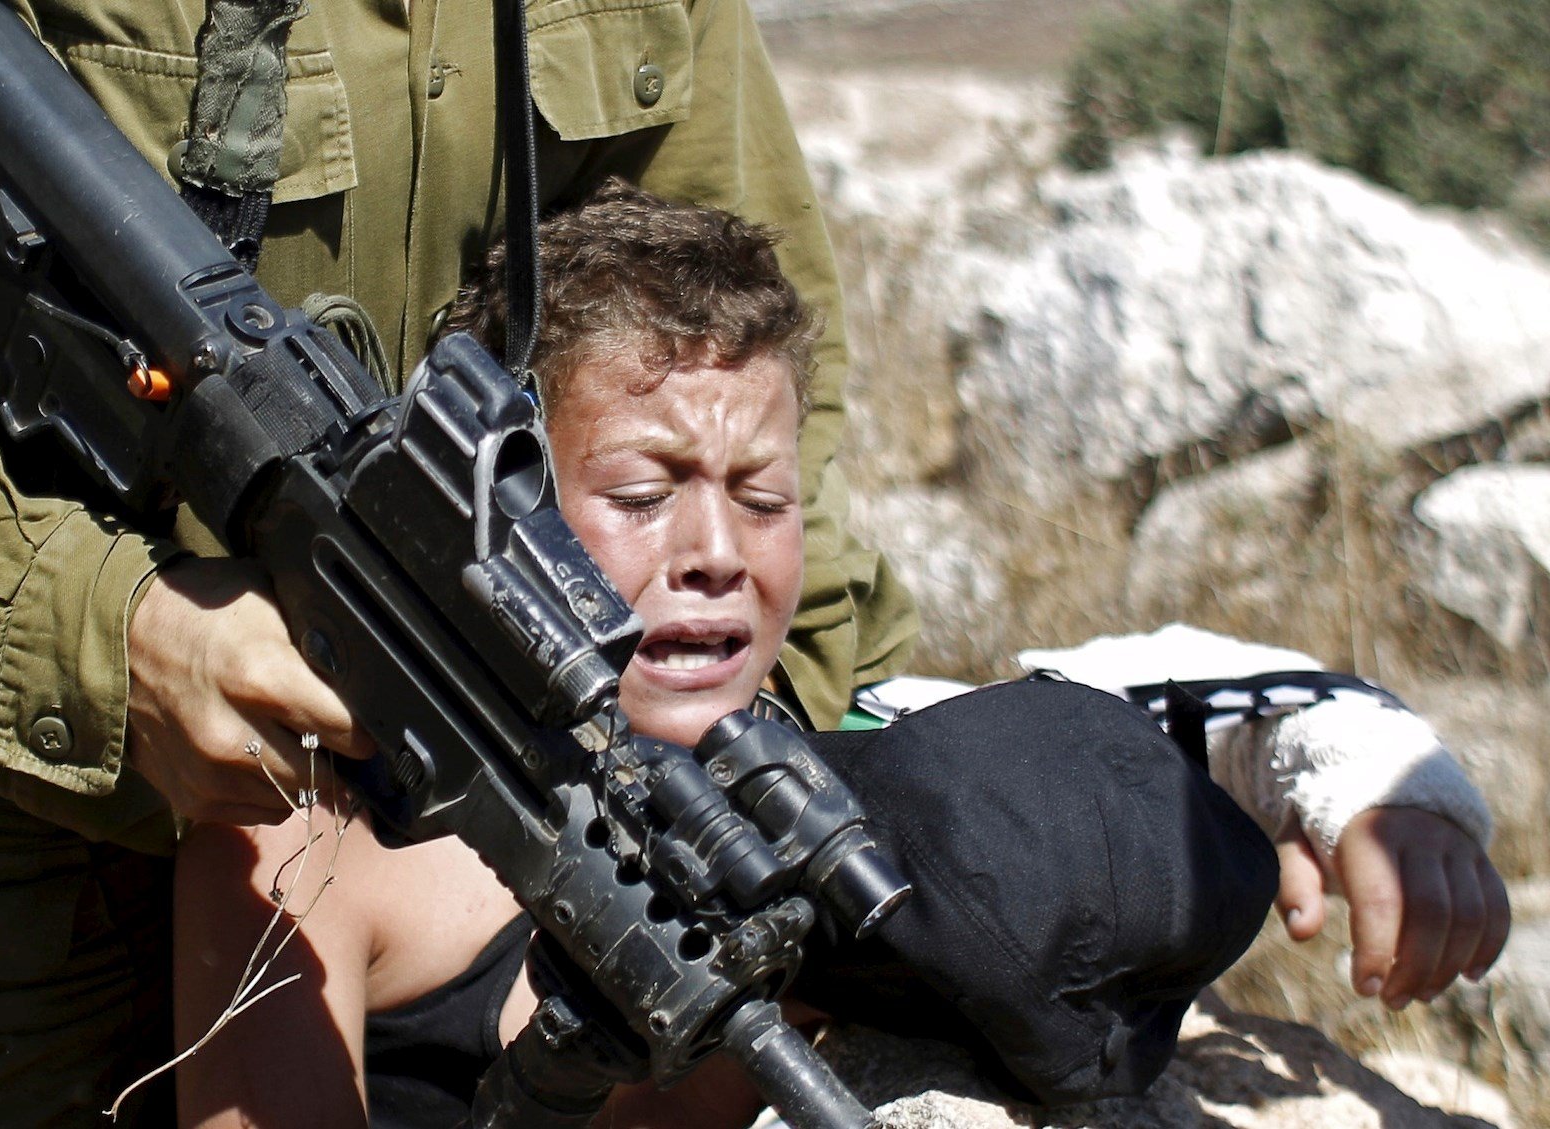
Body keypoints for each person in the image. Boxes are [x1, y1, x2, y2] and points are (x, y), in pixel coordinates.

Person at [0, 2, 916, 1126]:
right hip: (35, 848)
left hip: (526, 807)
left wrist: (737, 754)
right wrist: (106, 636)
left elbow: (750, 338)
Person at [173, 182, 1504, 1129]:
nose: (717, 552)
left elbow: (1169, 697)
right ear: (502, 507)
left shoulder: (844, 766)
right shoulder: (315, 842)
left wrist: (1380, 784)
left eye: (764, 498)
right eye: (643, 492)